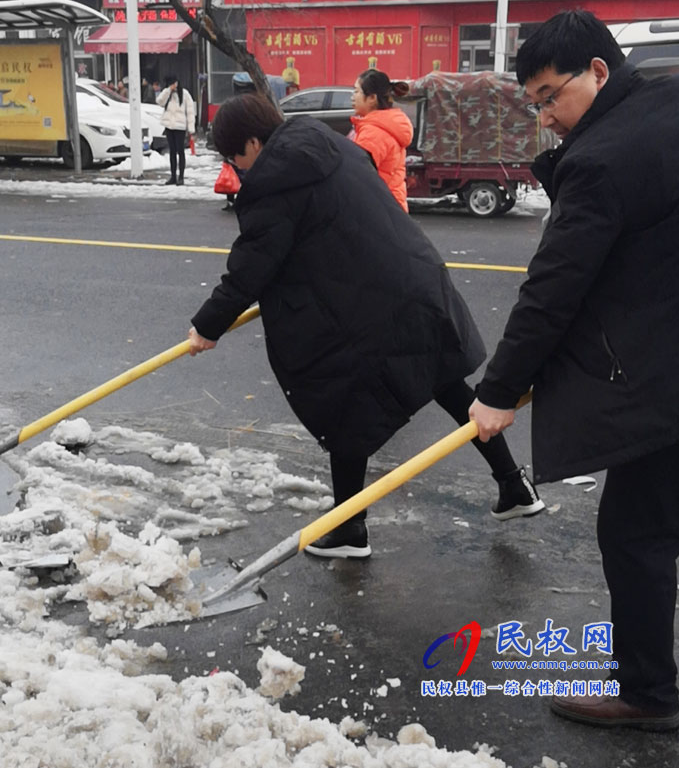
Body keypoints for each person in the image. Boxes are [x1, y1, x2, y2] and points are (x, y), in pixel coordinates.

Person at [468, 9, 679, 733]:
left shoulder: (601, 161)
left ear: (599, 72)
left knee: (635, 533)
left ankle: (648, 696)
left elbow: (554, 286)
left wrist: (498, 393)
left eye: (549, 96)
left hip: (677, 380)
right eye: (533, 103)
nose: (544, 117)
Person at [187, 94, 543, 560]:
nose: (238, 168)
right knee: (449, 385)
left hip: (372, 305)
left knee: (344, 407)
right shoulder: (329, 146)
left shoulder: (276, 182)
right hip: (412, 279)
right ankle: (514, 487)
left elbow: (251, 266)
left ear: (254, 142)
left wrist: (206, 327)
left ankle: (350, 528)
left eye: (236, 156)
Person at [350, 69, 413, 212]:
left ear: (372, 98)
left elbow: (356, 176)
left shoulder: (374, 132)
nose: (352, 97)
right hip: (391, 207)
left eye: (356, 91)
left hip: (378, 211)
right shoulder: (386, 124)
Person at [156, 74, 195, 186]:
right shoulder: (167, 93)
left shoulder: (185, 94)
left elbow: (190, 112)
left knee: (180, 151)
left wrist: (191, 129)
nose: (174, 85)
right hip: (169, 125)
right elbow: (159, 101)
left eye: (175, 83)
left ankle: (181, 176)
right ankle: (173, 176)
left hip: (180, 126)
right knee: (172, 151)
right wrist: (168, 90)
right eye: (172, 83)